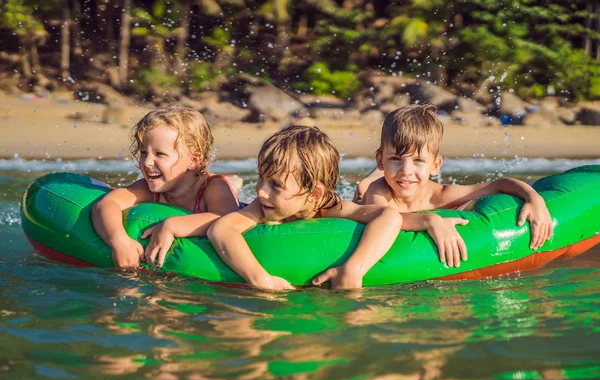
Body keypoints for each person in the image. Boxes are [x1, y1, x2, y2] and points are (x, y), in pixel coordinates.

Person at [207, 125, 468, 290]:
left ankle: (367, 184)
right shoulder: (263, 205)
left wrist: (355, 268)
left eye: (275, 185)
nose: (261, 190)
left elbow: (387, 216)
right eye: (261, 178)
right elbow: (221, 229)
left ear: (315, 194)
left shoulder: (330, 206)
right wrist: (259, 278)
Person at [355, 104, 553, 268]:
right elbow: (384, 218)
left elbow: (499, 185)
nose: (406, 170)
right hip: (374, 192)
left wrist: (533, 198)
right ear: (380, 160)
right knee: (364, 188)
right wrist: (429, 220)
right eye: (396, 159)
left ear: (435, 165)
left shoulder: (442, 196)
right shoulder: (378, 191)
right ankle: (373, 175)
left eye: (418, 161)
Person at [92, 104, 241, 268]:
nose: (147, 162)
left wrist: (171, 226)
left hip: (215, 194)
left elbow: (229, 220)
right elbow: (106, 204)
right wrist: (119, 241)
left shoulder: (213, 187)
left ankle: (234, 183)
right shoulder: (148, 188)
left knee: (228, 189)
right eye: (143, 153)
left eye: (160, 154)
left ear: (193, 160)